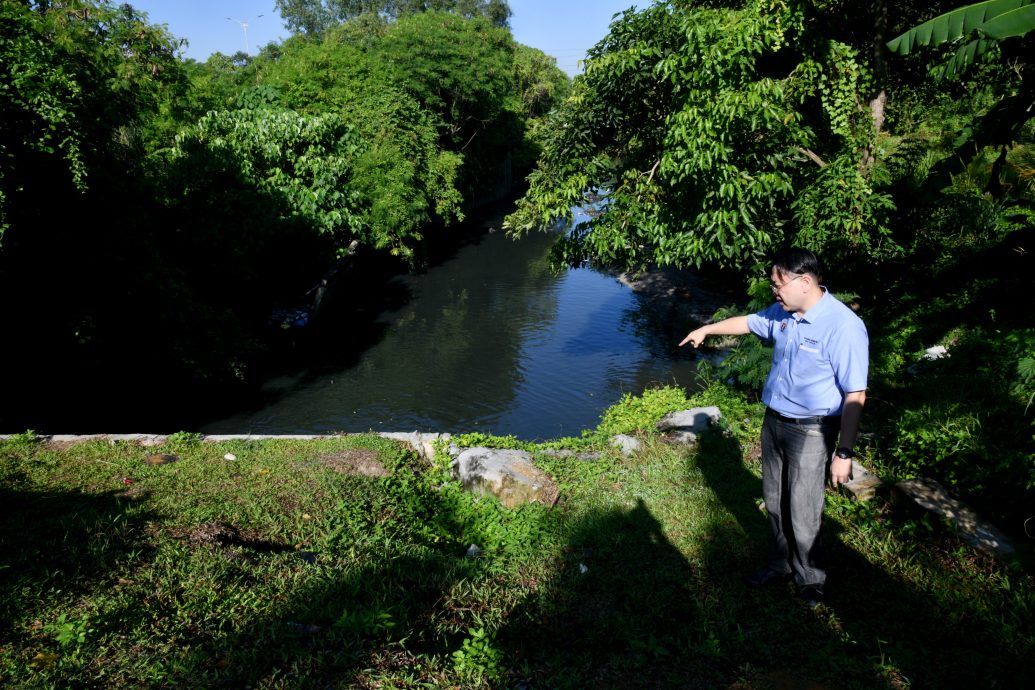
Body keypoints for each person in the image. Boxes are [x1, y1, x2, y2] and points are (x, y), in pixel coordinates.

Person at [679, 248, 868, 608]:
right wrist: (706, 329)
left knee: (803, 508)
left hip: (812, 429)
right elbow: (749, 322)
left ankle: (811, 579)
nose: (774, 292)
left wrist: (844, 452)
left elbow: (855, 394)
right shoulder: (784, 314)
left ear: (805, 282)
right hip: (775, 421)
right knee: (775, 499)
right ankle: (781, 564)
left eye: (777, 285)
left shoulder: (843, 326)